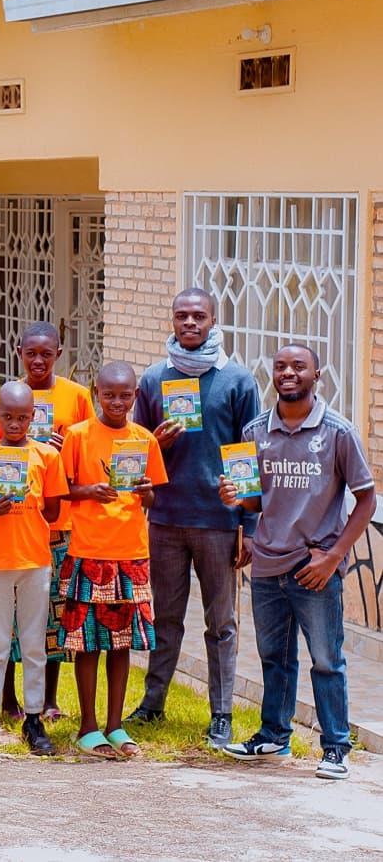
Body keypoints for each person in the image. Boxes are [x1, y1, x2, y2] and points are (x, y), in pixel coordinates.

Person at [219, 343, 375, 781]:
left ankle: (336, 747)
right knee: (274, 656)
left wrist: (336, 556)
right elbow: (253, 502)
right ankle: (273, 735)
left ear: (316, 375)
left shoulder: (338, 433)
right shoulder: (254, 431)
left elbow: (366, 499)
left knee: (326, 659)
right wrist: (235, 497)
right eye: (281, 366)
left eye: (298, 366)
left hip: (315, 567)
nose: (288, 373)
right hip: (268, 564)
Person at [130, 288, 259, 750]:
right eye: (182, 315)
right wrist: (156, 446)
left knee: (220, 623)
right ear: (172, 319)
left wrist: (251, 528)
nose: (190, 323)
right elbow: (135, 449)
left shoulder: (237, 380)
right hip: (165, 518)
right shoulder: (153, 378)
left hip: (219, 522)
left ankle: (221, 714)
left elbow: (247, 455)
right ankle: (152, 702)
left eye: (198, 316)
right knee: (165, 617)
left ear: (212, 319)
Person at [60, 362, 166, 759]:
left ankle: (116, 725)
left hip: (131, 552)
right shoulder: (79, 436)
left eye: (125, 395)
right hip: (88, 549)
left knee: (121, 643)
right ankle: (88, 726)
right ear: (96, 394)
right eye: (109, 394)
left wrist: (144, 491)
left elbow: (152, 497)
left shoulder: (144, 441)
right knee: (87, 643)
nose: (117, 402)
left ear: (135, 396)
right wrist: (90, 490)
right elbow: (63, 490)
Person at [0, 381, 65, 755]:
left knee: (34, 644)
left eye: (22, 417)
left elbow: (54, 511)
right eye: (8, 416)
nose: (15, 423)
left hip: (34, 560)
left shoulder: (47, 456)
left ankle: (33, 719)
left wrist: (28, 502)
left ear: (33, 417)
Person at [3, 321, 94, 722]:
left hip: (57, 523)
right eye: (30, 353)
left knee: (53, 612)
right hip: (12, 523)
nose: (38, 360)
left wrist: (63, 447)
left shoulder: (76, 397)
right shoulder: (11, 395)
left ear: (59, 354)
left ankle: (49, 699)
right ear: (19, 353)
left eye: (46, 353)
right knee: (6, 614)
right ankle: (6, 698)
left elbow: (88, 447)